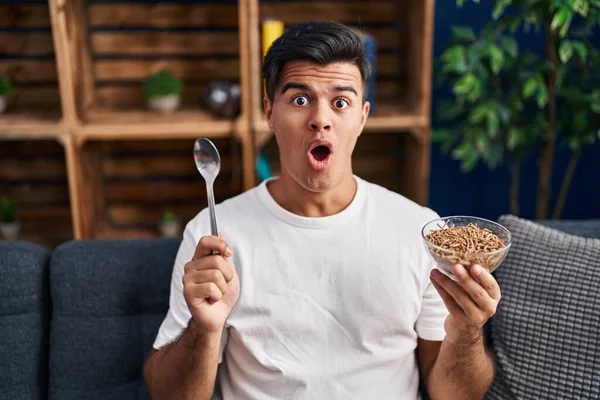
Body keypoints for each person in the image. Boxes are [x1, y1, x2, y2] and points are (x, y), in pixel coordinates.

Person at [143, 21, 500, 400]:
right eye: (300, 99)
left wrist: (466, 332)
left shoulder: (420, 230)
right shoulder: (212, 235)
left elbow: (455, 395)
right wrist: (204, 328)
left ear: (362, 117)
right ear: (269, 112)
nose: (320, 118)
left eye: (340, 102)